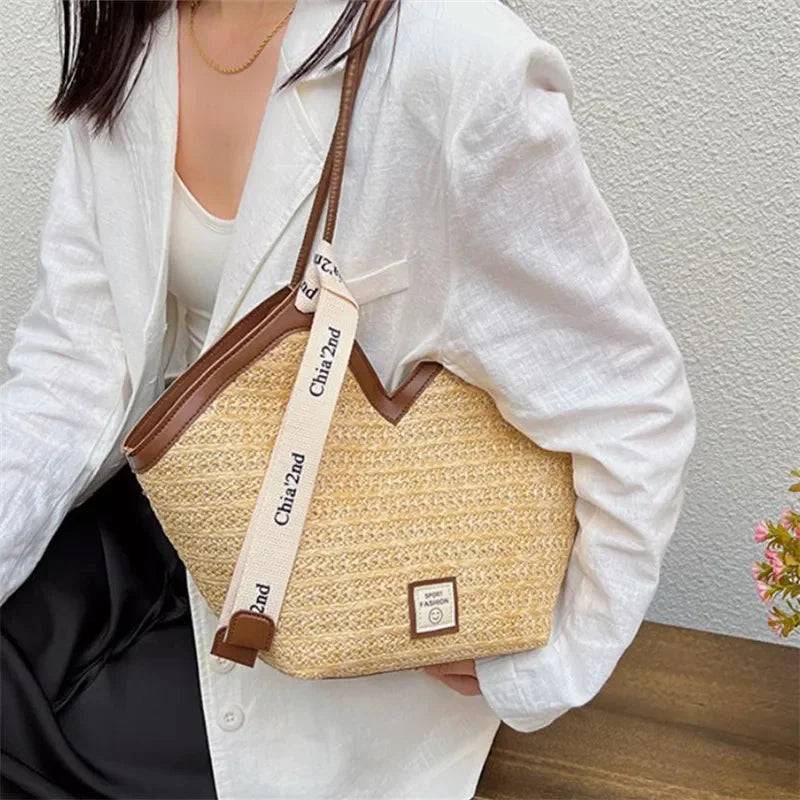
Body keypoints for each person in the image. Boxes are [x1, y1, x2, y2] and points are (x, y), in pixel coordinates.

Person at [0, 0, 697, 798]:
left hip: (345, 591)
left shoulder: (453, 59)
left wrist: (547, 667)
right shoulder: (137, 36)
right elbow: (74, 357)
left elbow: (629, 397)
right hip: (174, 515)